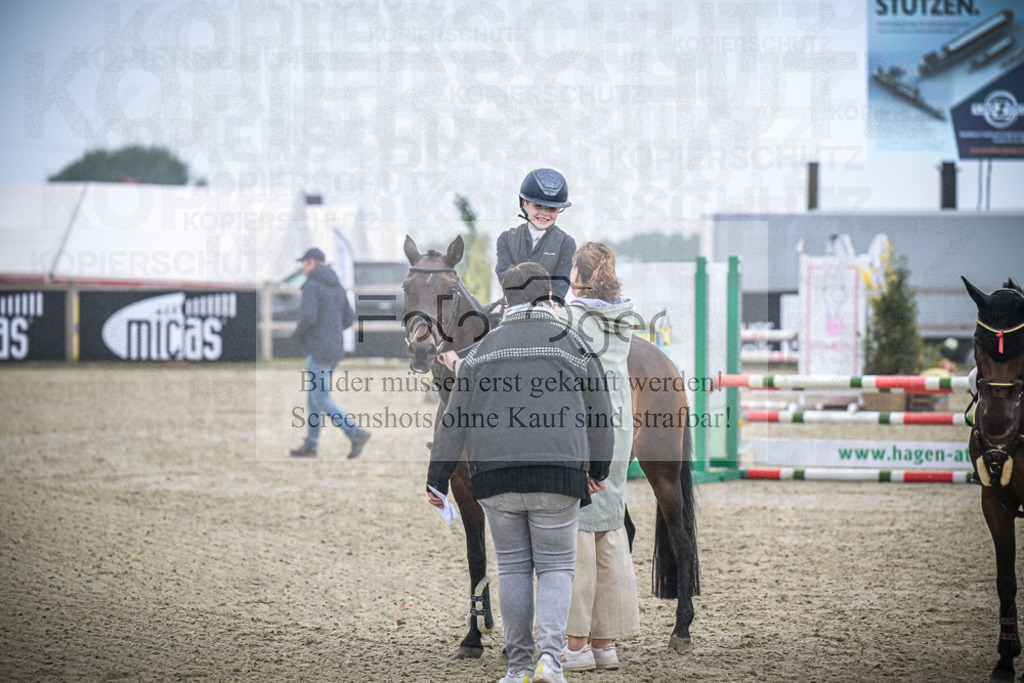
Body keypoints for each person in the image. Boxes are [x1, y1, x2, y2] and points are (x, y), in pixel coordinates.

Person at [426, 262, 614, 683]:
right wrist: (598, 469)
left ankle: (519, 667)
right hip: (559, 474)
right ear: (551, 298)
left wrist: (436, 478)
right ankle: (550, 659)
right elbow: (601, 415)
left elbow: (452, 420)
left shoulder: (480, 352)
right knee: (555, 568)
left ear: (505, 300)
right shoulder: (576, 346)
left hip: (496, 478)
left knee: (512, 569)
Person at [557, 242, 640, 671]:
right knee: (610, 529)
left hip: (586, 429)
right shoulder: (625, 316)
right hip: (621, 430)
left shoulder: (568, 318)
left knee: (579, 537)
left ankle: (576, 646)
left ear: (577, 276)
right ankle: (606, 644)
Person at [289, 247, 371, 459]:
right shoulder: (338, 285)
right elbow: (349, 317)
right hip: (335, 349)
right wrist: (331, 331)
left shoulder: (311, 286)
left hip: (318, 349)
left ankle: (354, 433)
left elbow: (308, 317)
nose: (302, 267)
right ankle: (311, 444)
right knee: (313, 399)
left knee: (320, 397)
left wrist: (297, 334)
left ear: (312, 263)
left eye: (304, 262)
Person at [495, 168, 577, 303]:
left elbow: (560, 286)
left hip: (548, 308)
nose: (545, 213)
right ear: (524, 204)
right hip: (513, 306)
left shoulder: (566, 243)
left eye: (552, 209)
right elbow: (505, 278)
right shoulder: (506, 239)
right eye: (538, 206)